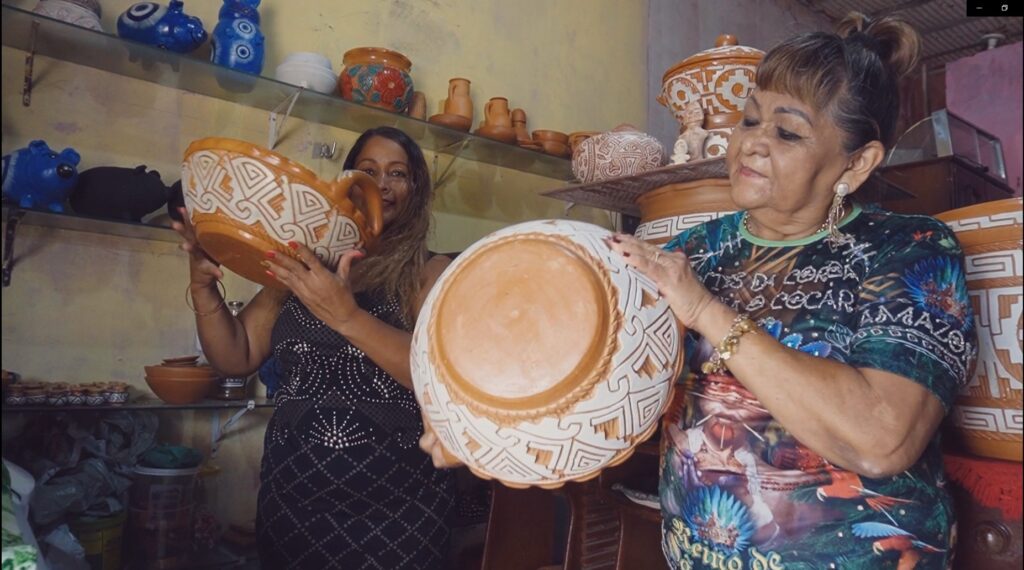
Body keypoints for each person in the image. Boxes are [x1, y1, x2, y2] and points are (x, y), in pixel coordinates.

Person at [420, 12, 978, 570]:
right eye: (749, 121)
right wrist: (482, 427)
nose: (752, 146)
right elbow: (606, 393)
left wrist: (706, 311)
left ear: (856, 164)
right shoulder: (695, 250)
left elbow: (882, 439)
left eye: (786, 132)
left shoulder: (907, 249)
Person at [175, 126, 455, 569]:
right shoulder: (307, 261)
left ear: (416, 189)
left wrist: (347, 316)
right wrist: (203, 286)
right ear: (349, 183)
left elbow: (438, 377)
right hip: (293, 508)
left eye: (397, 173)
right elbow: (236, 355)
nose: (381, 184)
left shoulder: (429, 273)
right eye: (368, 170)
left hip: (399, 515)